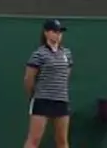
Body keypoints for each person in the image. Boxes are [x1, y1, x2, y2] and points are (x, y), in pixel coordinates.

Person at [23, 19, 72, 148]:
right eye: (54, 31)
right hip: (42, 100)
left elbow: (66, 74)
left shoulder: (66, 53)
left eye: (60, 32)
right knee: (34, 139)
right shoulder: (39, 54)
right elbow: (29, 78)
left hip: (61, 100)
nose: (58, 34)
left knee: (62, 140)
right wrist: (33, 95)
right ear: (46, 33)